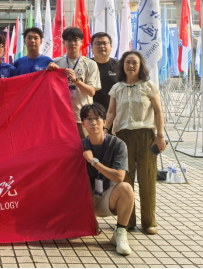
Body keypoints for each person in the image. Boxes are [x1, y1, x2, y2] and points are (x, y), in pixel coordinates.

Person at [105, 50, 166, 235]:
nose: (130, 66)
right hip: (122, 137)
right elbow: (111, 112)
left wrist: (160, 135)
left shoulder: (148, 86)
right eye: (127, 62)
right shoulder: (117, 88)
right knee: (125, 179)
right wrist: (105, 130)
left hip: (146, 136)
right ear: (122, 65)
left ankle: (149, 222)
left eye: (134, 63)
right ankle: (127, 221)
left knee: (148, 179)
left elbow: (158, 112)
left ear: (140, 66)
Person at [80, 104, 134, 256]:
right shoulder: (80, 146)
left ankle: (120, 232)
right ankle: (87, 220)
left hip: (108, 197)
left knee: (126, 188)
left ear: (104, 122)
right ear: (83, 123)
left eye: (97, 118)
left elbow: (119, 177)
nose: (93, 123)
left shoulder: (118, 144)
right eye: (89, 119)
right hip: (86, 199)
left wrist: (94, 162)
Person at [47, 27, 101, 139]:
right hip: (61, 117)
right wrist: (48, 73)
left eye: (76, 40)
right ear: (63, 42)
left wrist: (76, 80)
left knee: (84, 147)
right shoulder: (55, 62)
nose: (72, 43)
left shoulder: (90, 64)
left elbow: (91, 92)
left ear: (81, 42)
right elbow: (47, 89)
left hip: (82, 116)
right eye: (69, 40)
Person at [91, 32, 119, 113]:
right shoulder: (86, 65)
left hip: (115, 113)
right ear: (91, 48)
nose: (102, 46)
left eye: (105, 43)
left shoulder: (119, 66)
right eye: (98, 43)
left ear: (111, 47)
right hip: (91, 114)